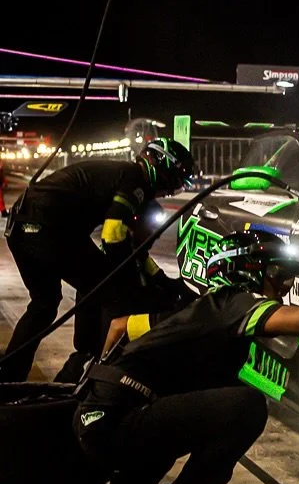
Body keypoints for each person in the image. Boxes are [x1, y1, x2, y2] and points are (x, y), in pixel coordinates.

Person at [74, 230, 299, 484]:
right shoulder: (236, 303)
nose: (284, 286)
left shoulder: (200, 307)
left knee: (195, 402)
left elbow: (119, 325)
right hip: (116, 424)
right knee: (247, 404)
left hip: (101, 419)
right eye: (279, 274)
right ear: (248, 271)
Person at [0, 138, 195, 383]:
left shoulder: (119, 174)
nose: (170, 190)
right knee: (109, 289)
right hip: (50, 229)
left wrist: (162, 280)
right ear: (162, 165)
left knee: (44, 304)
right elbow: (112, 237)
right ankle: (89, 367)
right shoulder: (135, 178)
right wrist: (135, 282)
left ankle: (9, 376)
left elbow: (133, 250)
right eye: (175, 181)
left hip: (21, 229)